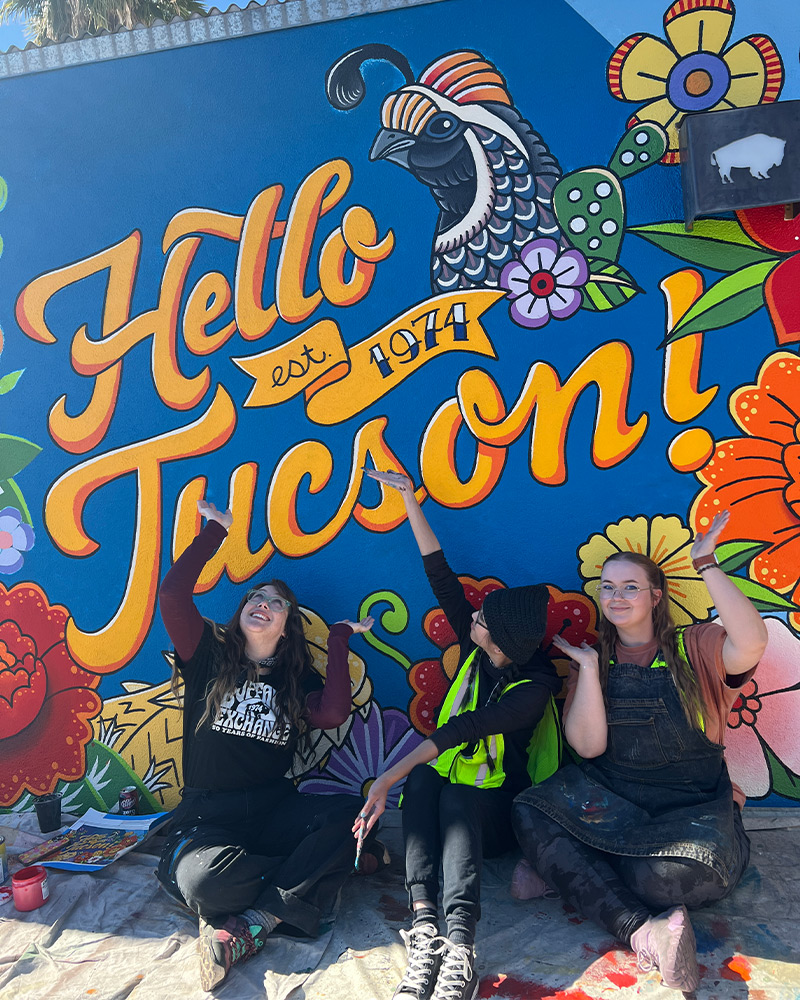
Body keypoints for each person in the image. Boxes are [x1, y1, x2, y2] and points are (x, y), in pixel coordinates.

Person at [511, 510, 768, 994]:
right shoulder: (594, 659)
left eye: (630, 587)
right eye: (608, 587)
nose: (616, 596)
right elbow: (588, 747)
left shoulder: (697, 646)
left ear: (656, 596)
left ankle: (566, 871)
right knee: (529, 810)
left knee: (669, 880)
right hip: (612, 799)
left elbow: (752, 641)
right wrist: (587, 670)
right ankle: (642, 930)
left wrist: (707, 562)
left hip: (689, 805)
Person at [156, 499, 380, 991]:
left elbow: (334, 712)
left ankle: (254, 924)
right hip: (208, 817)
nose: (263, 602)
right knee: (203, 883)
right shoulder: (208, 654)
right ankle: (312, 878)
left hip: (272, 808)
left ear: (286, 626)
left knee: (352, 817)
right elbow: (172, 596)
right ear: (241, 614)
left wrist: (340, 639)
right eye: (255, 596)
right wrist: (217, 530)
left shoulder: (296, 680)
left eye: (277, 602)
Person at [356, 470, 562, 1000]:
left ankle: (462, 945)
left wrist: (382, 780)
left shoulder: (532, 687)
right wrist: (410, 502)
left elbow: (461, 730)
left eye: (483, 618)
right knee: (424, 785)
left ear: (503, 642)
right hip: (453, 796)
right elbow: (442, 580)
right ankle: (425, 927)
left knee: (456, 792)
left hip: (497, 817)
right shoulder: (481, 650)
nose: (472, 613)